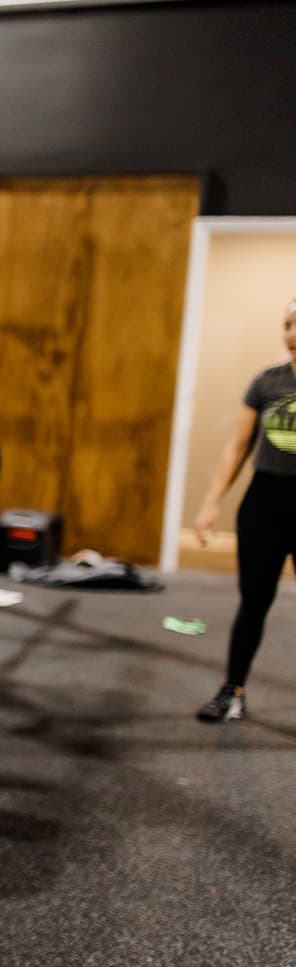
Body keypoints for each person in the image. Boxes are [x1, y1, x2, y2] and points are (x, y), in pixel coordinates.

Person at [190, 300, 296, 723]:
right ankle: (232, 690)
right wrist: (210, 503)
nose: (292, 332)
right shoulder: (266, 383)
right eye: (288, 323)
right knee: (253, 601)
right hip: (265, 507)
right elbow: (236, 448)